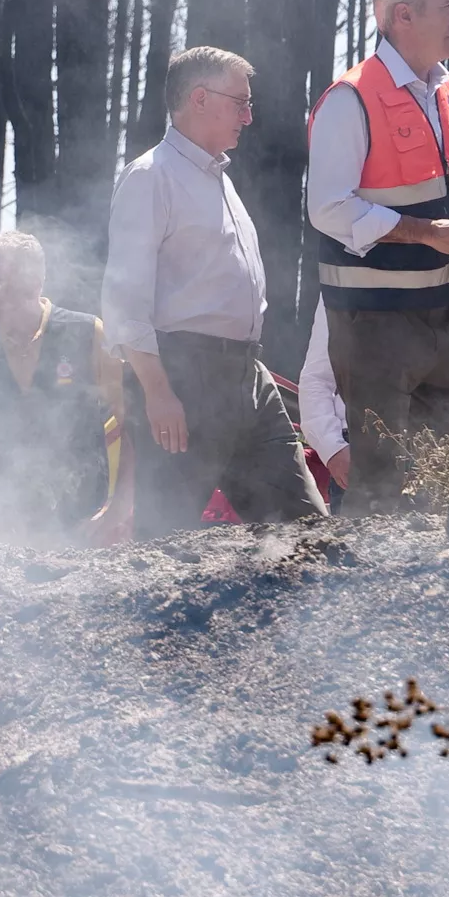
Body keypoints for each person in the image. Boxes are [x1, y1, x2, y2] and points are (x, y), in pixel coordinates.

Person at [306, 0, 449, 513]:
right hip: (372, 324)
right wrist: (427, 234)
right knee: (380, 486)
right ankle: (358, 596)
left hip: (441, 315)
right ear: (402, 15)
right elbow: (328, 210)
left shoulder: (446, 91)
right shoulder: (349, 98)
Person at [102, 46, 328, 534]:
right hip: (185, 378)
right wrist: (159, 393)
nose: (249, 116)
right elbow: (124, 300)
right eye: (240, 103)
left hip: (249, 377)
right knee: (164, 544)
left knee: (307, 529)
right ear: (199, 98)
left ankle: (320, 610)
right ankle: (146, 613)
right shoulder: (150, 177)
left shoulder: (218, 179)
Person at [0, 230, 124, 541]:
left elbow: (130, 427)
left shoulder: (88, 334)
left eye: (1, 283)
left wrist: (116, 511)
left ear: (36, 282)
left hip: (82, 525)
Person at [299, 304, 449, 494]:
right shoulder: (346, 282)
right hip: (361, 449)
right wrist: (333, 450)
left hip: (442, 454)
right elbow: (317, 378)